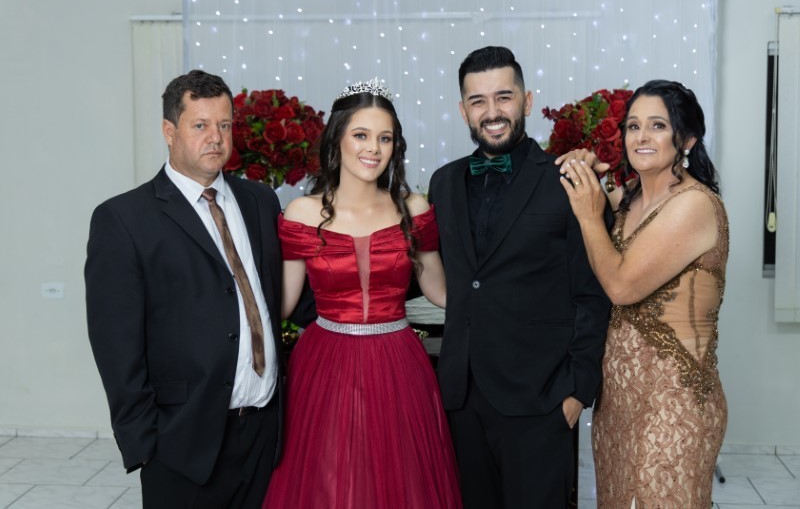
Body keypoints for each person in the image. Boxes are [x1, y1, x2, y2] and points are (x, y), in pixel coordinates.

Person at [85, 69, 302, 508]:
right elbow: (115, 346)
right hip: (181, 441)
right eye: (200, 125)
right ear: (169, 131)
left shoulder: (259, 201)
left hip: (264, 433)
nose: (215, 138)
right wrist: (145, 444)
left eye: (224, 125)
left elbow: (284, 294)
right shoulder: (124, 219)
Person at [262, 79, 462, 509]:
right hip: (325, 365)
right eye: (361, 135)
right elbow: (283, 305)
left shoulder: (413, 208)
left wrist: (509, 290)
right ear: (337, 139)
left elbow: (440, 290)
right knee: (330, 484)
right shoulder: (302, 212)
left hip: (398, 362)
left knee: (402, 482)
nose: (374, 148)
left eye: (385, 138)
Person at [427, 45, 612, 508]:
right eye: (478, 101)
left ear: (527, 101)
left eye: (503, 97)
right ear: (463, 110)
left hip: (541, 398)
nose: (492, 112)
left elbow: (594, 291)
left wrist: (577, 390)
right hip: (462, 397)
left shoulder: (570, 180)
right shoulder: (442, 183)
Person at [559, 79, 728, 507]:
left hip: (675, 404)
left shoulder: (694, 204)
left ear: (687, 139)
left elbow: (620, 286)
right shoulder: (630, 198)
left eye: (658, 125)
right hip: (618, 403)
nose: (641, 137)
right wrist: (586, 173)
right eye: (634, 126)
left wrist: (588, 215)